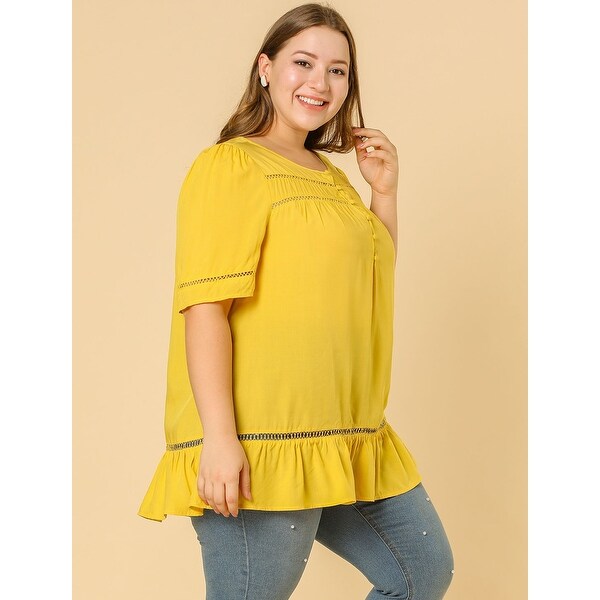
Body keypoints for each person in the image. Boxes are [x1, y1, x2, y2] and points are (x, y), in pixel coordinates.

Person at [138, 3, 454, 598]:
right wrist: (220, 440)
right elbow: (205, 308)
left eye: (337, 71)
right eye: (303, 63)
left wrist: (383, 193)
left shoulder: (333, 177)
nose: (320, 83)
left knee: (420, 571)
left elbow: (369, 277)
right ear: (266, 67)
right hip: (263, 440)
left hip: (345, 436)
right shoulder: (230, 165)